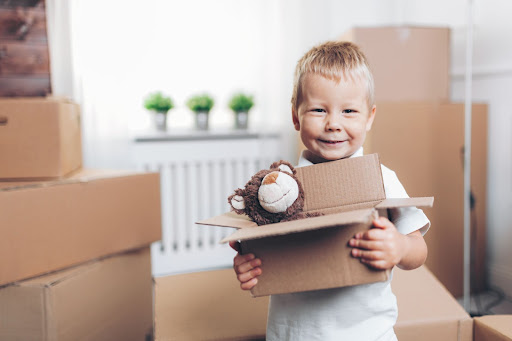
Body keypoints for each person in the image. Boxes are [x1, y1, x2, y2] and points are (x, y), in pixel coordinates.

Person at [229, 41, 430, 341]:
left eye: (349, 110)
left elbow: (418, 250)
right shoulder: (276, 192)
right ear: (296, 116)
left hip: (370, 335)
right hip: (294, 335)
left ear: (370, 116)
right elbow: (256, 251)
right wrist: (247, 266)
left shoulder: (381, 179)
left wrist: (399, 247)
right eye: (318, 109)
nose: (333, 124)